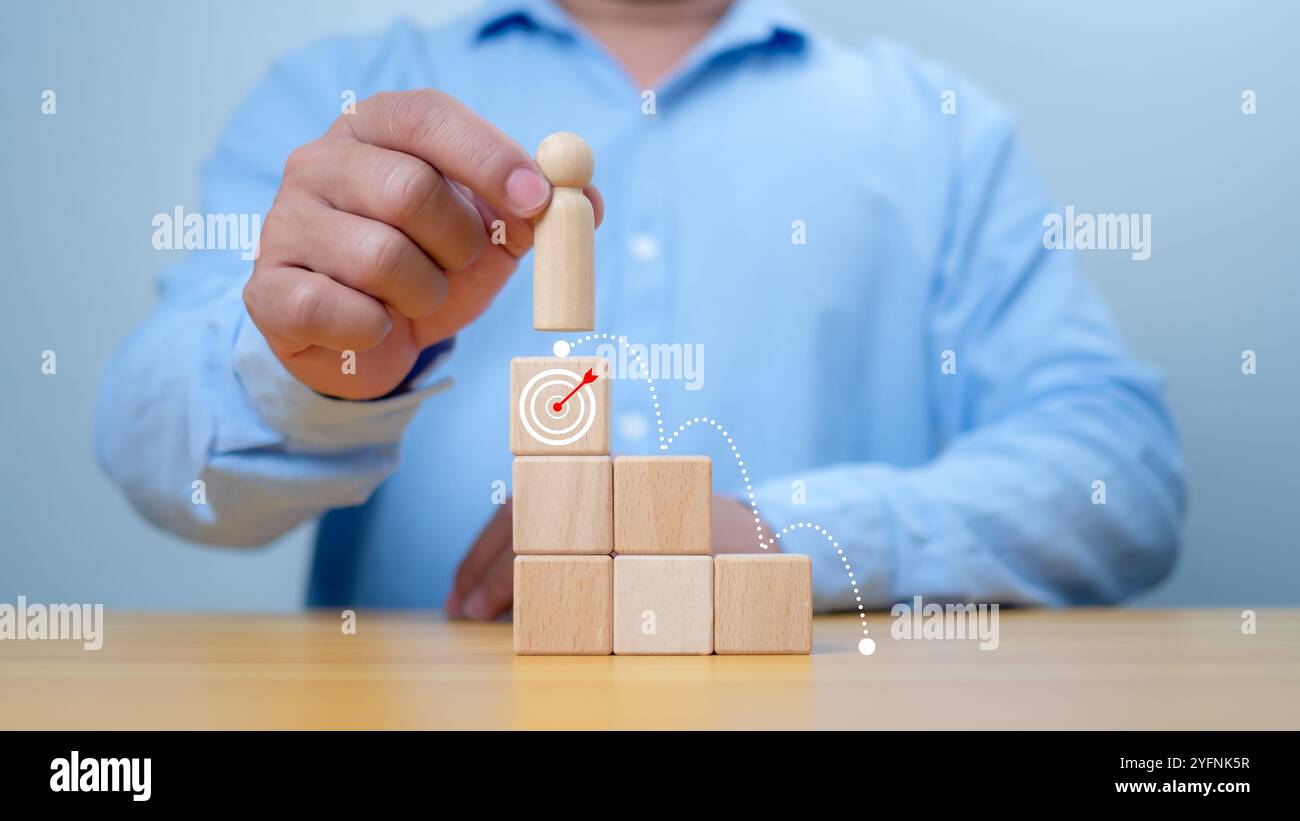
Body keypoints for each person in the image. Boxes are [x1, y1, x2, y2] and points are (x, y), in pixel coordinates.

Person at [95, 0, 1185, 620]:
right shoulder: (339, 102)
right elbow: (159, 462)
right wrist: (314, 368)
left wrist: (781, 538)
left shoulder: (936, 130)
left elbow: (1120, 475)